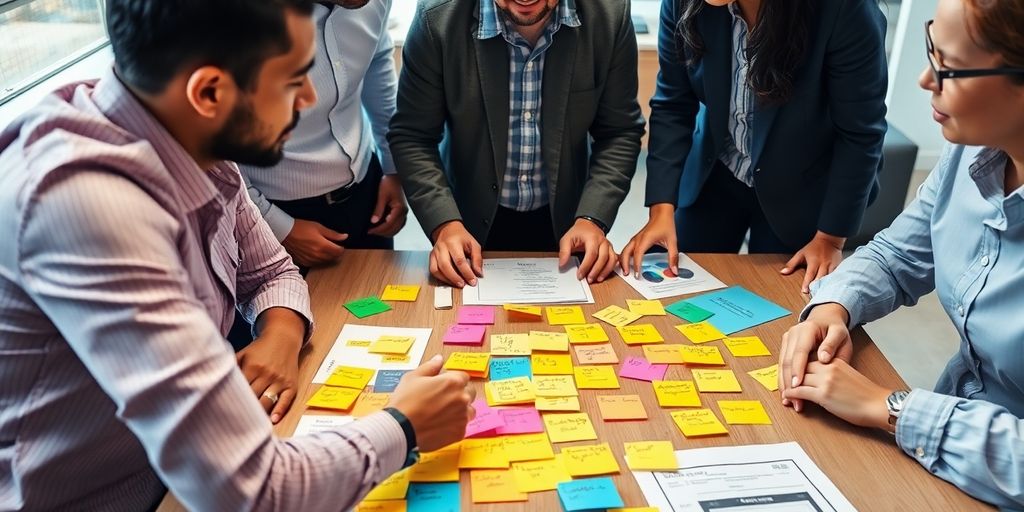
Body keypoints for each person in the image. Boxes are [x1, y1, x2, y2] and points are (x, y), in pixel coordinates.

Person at [0, 1, 472, 510]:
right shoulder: (89, 208)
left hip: (174, 480)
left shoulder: (185, 137)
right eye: (294, 79)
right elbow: (251, 491)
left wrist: (282, 333)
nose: (311, 97)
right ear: (209, 92)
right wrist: (403, 426)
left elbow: (271, 269)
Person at [778, 0, 1024, 507]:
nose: (924, 79)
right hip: (945, 460)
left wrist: (889, 407)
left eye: (949, 66)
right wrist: (833, 307)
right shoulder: (971, 150)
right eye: (931, 47)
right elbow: (897, 255)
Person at [621, 0, 888, 293]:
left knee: (781, 306)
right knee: (673, 295)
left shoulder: (846, 10)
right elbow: (673, 104)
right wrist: (661, 210)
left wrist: (831, 239)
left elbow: (860, 134)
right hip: (716, 172)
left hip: (803, 190)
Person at [389, 0, 646, 288]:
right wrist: (444, 224)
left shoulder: (609, 16)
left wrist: (593, 217)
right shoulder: (435, 19)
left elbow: (619, 132)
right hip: (466, 221)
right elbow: (413, 136)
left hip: (568, 221)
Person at [228, 0, 407, 349]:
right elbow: (216, 146)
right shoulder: (243, 16)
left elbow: (377, 64)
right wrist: (278, 225)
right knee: (286, 354)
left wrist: (393, 168)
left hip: (364, 193)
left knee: (377, 336)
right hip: (268, 211)